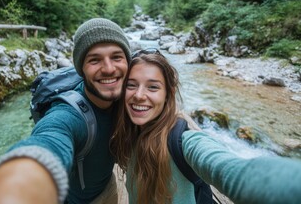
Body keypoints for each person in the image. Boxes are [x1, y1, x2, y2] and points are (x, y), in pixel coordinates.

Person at [0, 18, 132, 204]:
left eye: (117, 57)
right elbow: (49, 140)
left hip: (107, 187)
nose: (109, 69)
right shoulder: (68, 115)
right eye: (94, 60)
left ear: (128, 62)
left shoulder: (129, 96)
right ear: (81, 69)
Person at [110, 49, 301, 204]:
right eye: (131, 85)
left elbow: (231, 169)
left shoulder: (185, 141)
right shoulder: (128, 131)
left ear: (169, 93)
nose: (139, 95)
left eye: (153, 87)